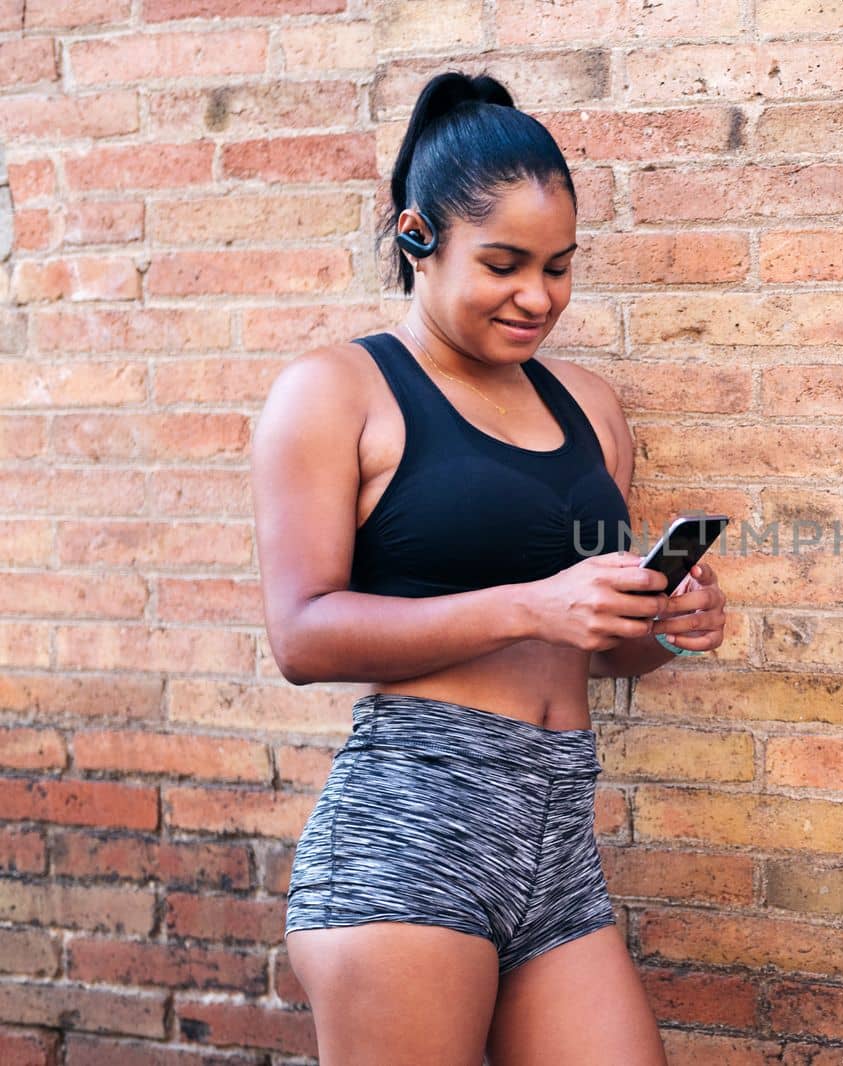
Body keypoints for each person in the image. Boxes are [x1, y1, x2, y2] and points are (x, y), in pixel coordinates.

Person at [249, 68, 726, 1066]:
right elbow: (301, 635)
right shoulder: (337, 392)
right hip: (409, 835)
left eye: (558, 267)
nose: (535, 296)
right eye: (504, 263)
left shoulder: (587, 404)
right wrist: (530, 604)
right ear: (418, 235)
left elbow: (593, 649)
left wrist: (661, 627)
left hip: (558, 836)